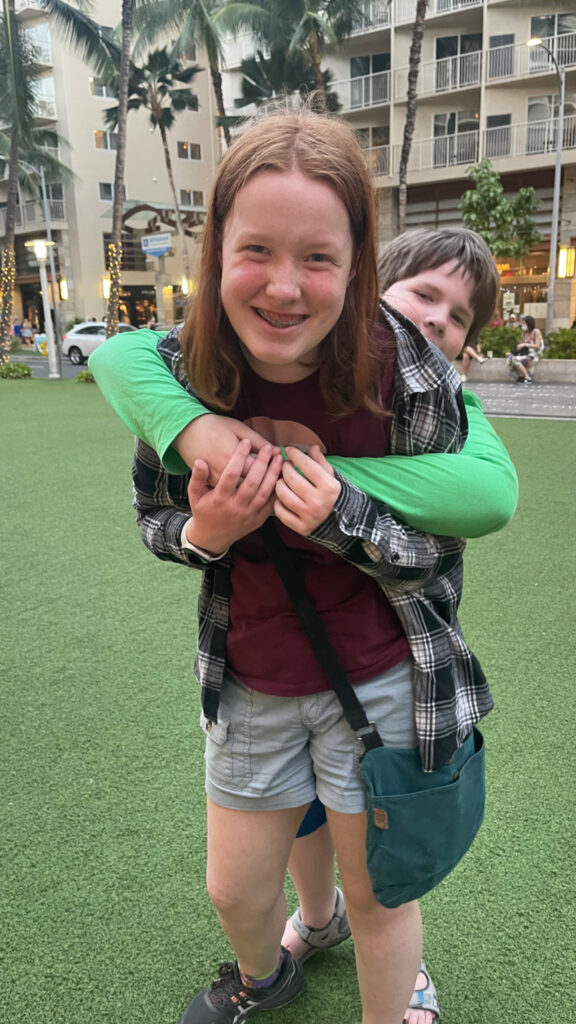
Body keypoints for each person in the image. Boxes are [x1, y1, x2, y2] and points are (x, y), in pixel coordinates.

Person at [91, 111, 515, 1024]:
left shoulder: (411, 379)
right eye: (257, 251)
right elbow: (156, 521)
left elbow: (444, 556)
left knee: (379, 899)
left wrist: (343, 516)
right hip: (251, 678)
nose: (285, 287)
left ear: (359, 264)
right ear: (214, 252)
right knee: (239, 894)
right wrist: (205, 527)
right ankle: (268, 972)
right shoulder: (182, 369)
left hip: (388, 677)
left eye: (318, 258)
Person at [507, 314, 543, 383]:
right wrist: (512, 352)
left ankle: (527, 377)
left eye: (524, 323)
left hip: (534, 354)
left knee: (514, 360)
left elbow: (537, 345)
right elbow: (521, 346)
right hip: (525, 353)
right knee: (510, 358)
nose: (523, 325)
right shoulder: (524, 333)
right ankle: (521, 376)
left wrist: (525, 344)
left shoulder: (536, 332)